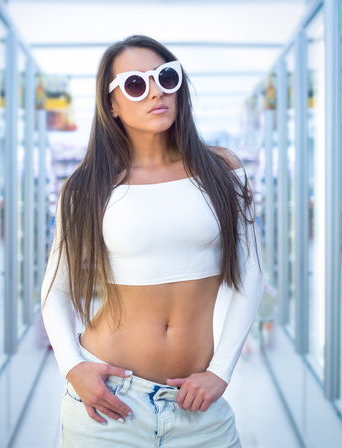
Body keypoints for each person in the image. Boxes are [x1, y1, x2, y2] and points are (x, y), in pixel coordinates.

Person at [41, 35, 264, 448]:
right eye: (135, 84)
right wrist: (72, 367)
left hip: (197, 407)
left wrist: (221, 370)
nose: (156, 91)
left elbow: (251, 274)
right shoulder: (87, 186)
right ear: (112, 104)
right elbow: (56, 288)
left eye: (165, 76)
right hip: (109, 402)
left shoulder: (222, 170)